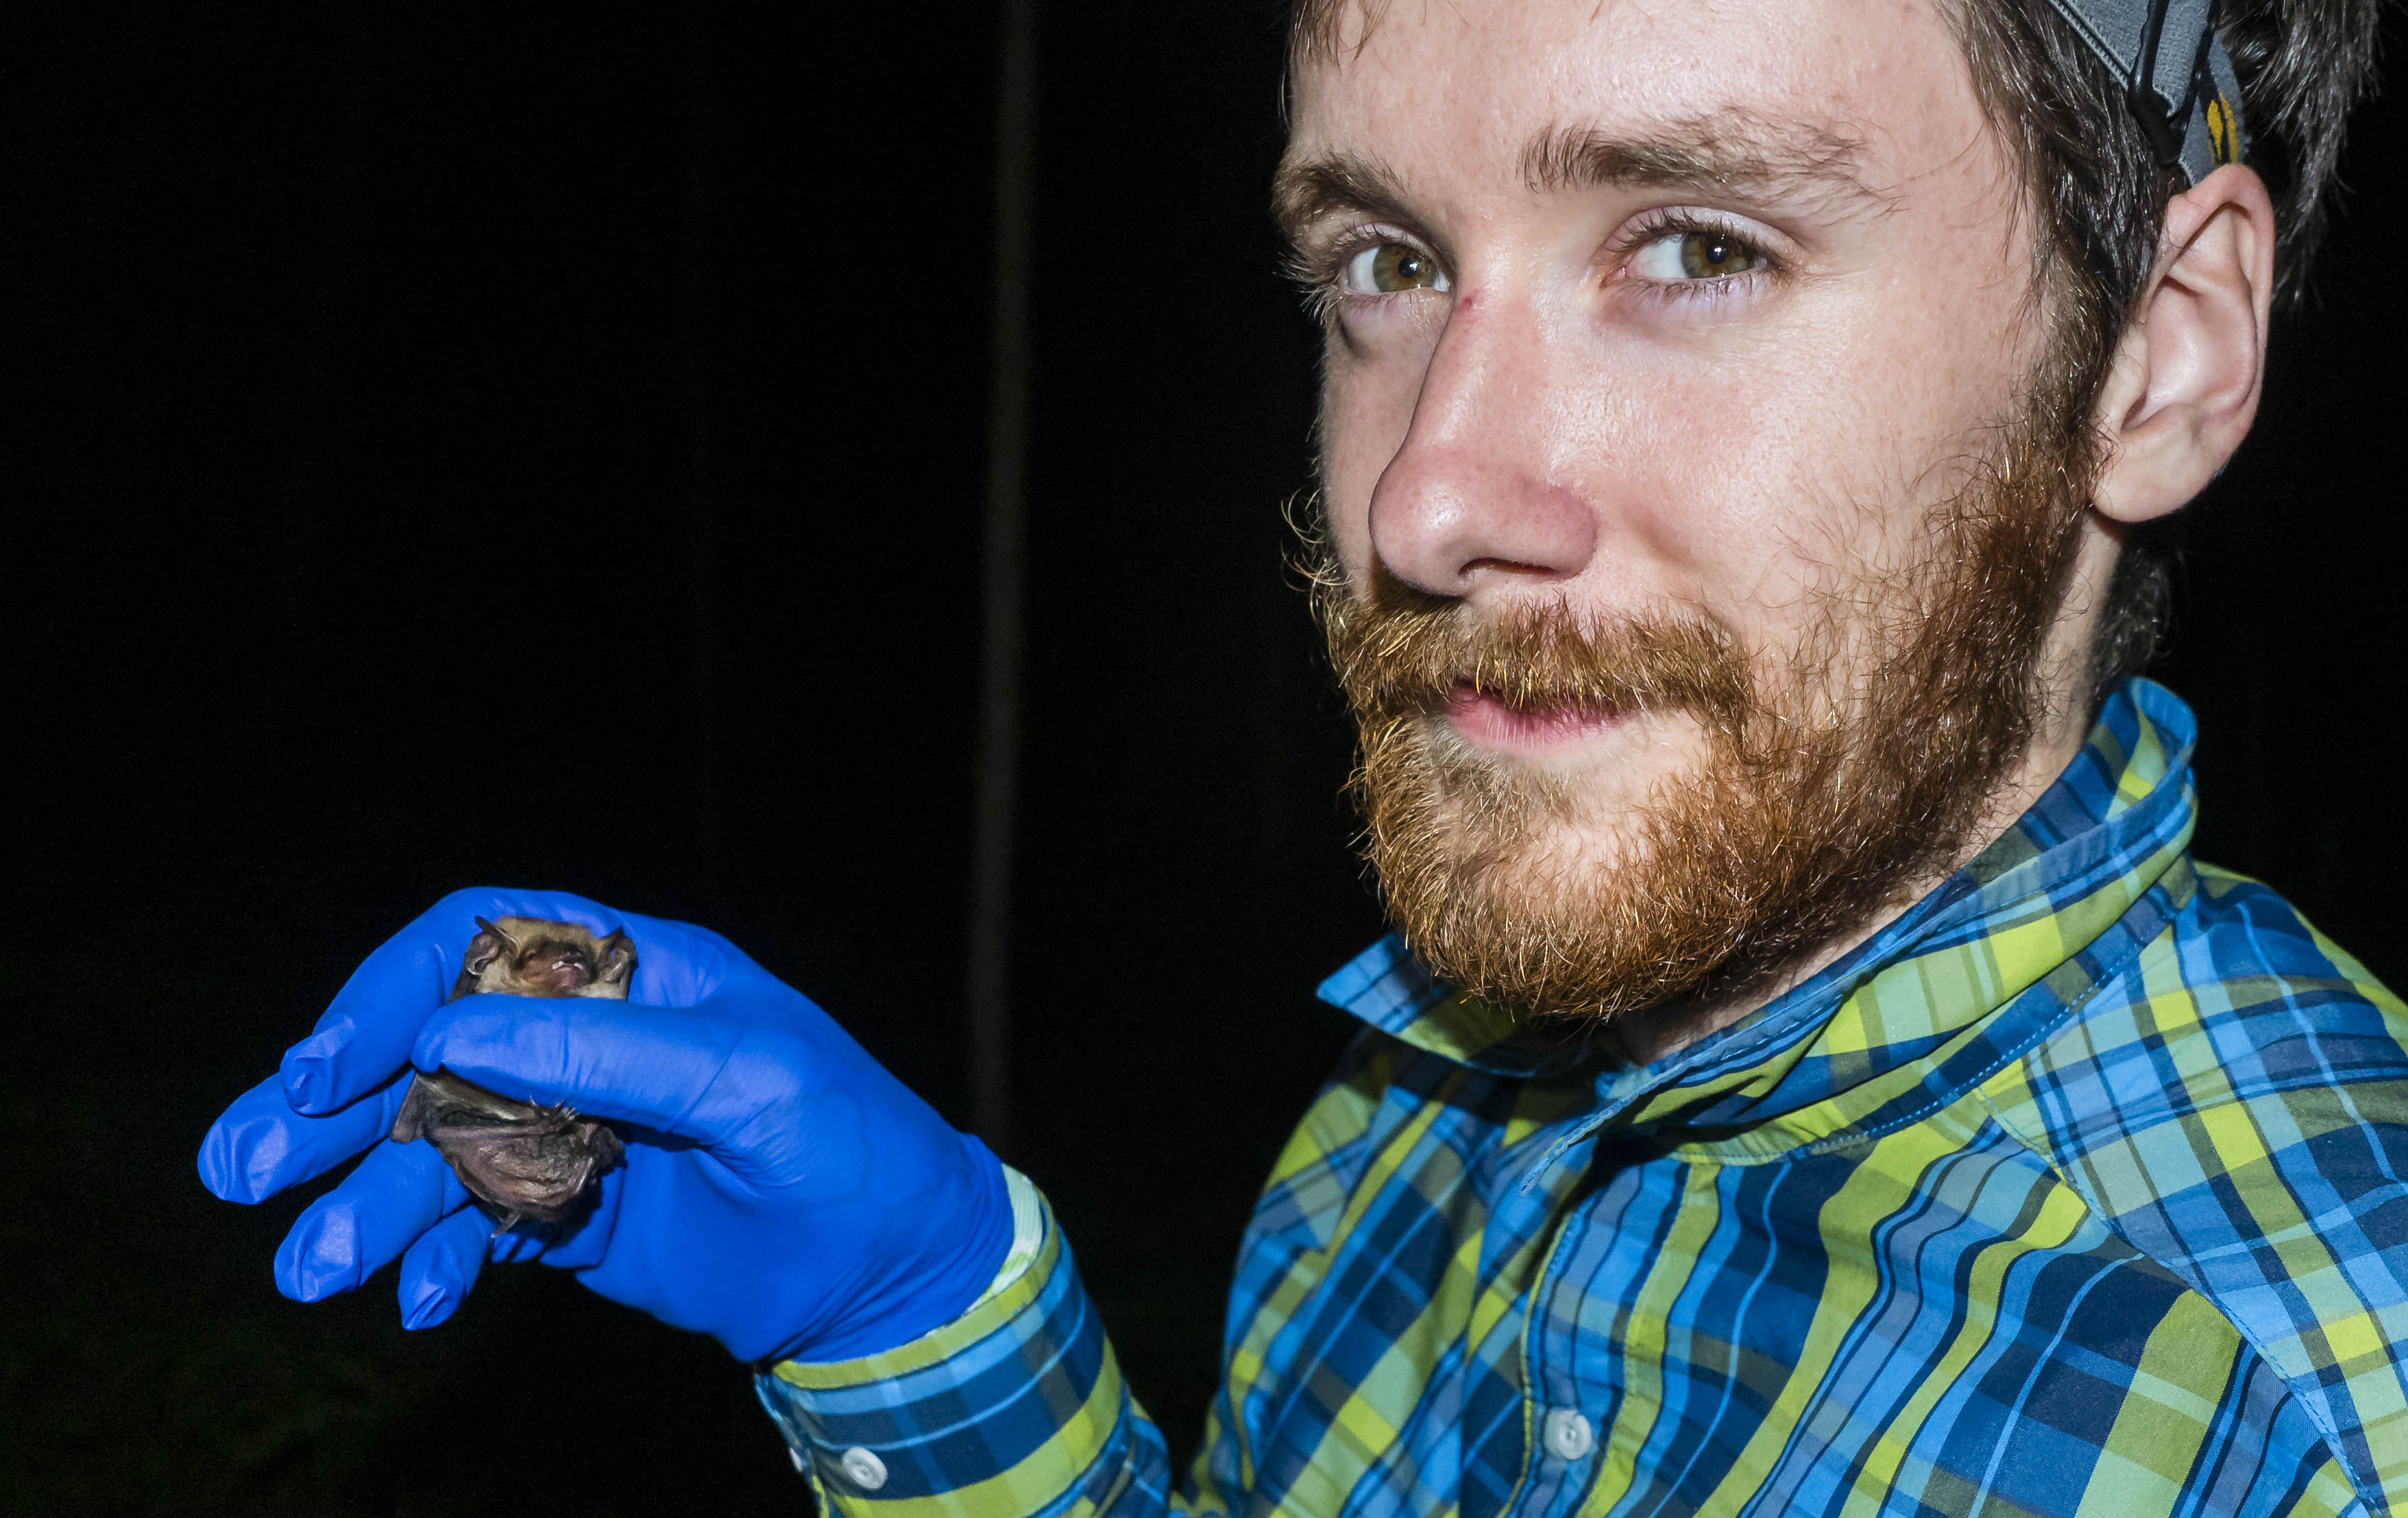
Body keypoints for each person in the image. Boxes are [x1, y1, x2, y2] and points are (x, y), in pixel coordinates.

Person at [199, 0, 2406, 1511]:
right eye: (1384, 260)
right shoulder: (1422, 1096)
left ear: (2157, 354)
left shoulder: (2307, 1409)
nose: (1422, 497)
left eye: (1698, 245)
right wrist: (931, 1310)